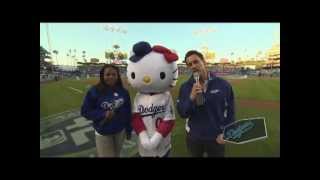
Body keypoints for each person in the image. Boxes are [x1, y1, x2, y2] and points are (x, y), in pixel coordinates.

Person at [176, 50, 235, 157]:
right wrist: (191, 98)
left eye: (196, 62)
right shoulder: (185, 87)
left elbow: (230, 110)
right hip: (194, 138)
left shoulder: (223, 84)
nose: (193, 66)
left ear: (204, 62)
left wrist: (227, 133)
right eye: (190, 64)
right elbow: (182, 113)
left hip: (216, 137)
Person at [81, 64, 132, 157]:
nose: (111, 76)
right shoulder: (94, 91)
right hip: (103, 133)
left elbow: (128, 112)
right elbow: (85, 111)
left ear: (117, 76)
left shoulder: (124, 92)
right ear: (102, 76)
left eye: (114, 74)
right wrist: (103, 114)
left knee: (117, 155)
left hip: (120, 131)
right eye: (108, 74)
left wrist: (129, 130)